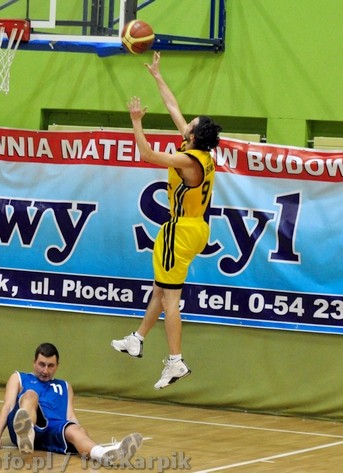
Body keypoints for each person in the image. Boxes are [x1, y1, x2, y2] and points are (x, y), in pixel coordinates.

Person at [111, 51, 222, 390]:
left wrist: (136, 121)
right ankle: (137, 338)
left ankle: (176, 361)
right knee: (161, 288)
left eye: (191, 124)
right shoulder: (202, 153)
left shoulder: (188, 160)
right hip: (197, 228)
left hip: (181, 231)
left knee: (171, 298)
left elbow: (146, 154)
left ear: (194, 135)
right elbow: (174, 109)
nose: (186, 123)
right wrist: (158, 76)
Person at [0, 342, 143, 466]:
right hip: (23, 421)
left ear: (57, 365)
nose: (45, 370)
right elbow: (8, 406)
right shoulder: (19, 377)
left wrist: (82, 435)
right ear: (34, 362)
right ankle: (26, 433)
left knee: (75, 429)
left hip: (52, 428)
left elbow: (70, 416)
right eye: (41, 364)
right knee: (30, 394)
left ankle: (103, 454)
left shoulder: (65, 386)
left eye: (50, 366)